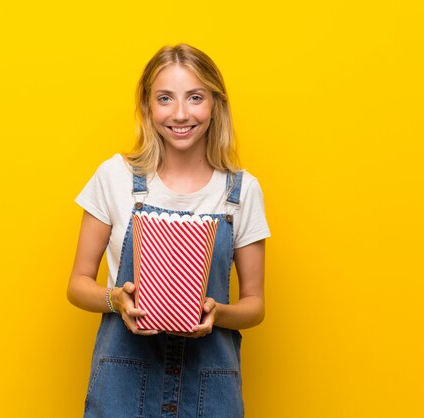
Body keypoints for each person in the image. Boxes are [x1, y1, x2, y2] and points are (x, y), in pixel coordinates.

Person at [68, 43, 270, 418]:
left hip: (210, 390)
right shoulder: (114, 177)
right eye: (165, 98)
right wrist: (118, 301)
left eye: (195, 98)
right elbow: (78, 283)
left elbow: (254, 305)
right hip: (122, 386)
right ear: (147, 106)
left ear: (215, 105)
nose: (181, 114)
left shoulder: (242, 191)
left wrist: (217, 313)